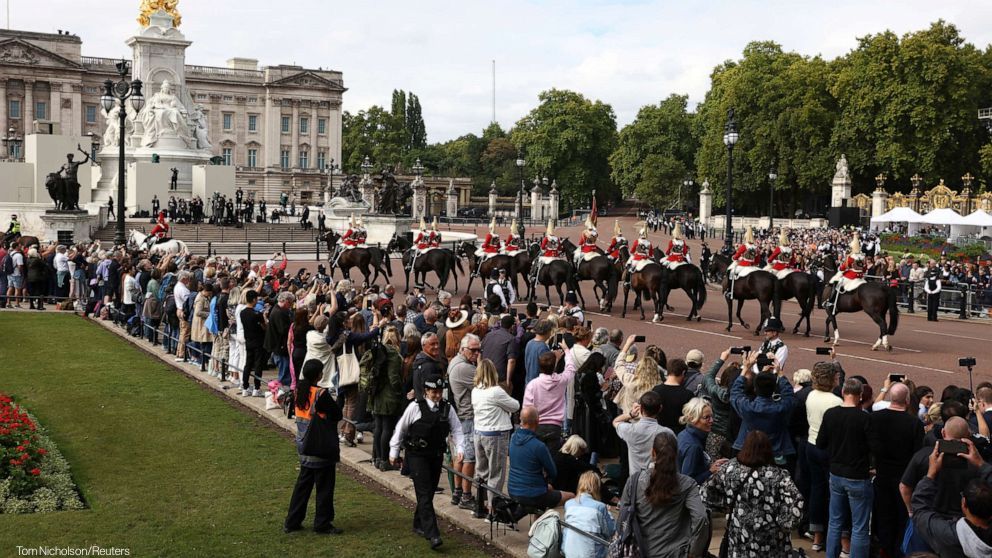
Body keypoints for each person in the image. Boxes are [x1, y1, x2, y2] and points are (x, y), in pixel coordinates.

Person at [389, 375, 465, 550]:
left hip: (435, 455)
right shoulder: (415, 407)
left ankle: (418, 523)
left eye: (439, 392)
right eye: (433, 392)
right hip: (417, 456)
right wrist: (394, 451)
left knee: (429, 491)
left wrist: (460, 449)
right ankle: (433, 534)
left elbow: (457, 429)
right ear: (426, 392)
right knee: (423, 492)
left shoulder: (447, 408)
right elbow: (401, 429)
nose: (437, 396)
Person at [701, 431, 805, 556]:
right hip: (771, 541)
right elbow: (796, 503)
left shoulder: (730, 468)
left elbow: (705, 493)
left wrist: (726, 505)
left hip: (739, 538)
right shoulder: (778, 476)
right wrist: (783, 523)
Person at [620, 431, 709, 558]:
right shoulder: (688, 484)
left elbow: (623, 518)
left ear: (653, 453)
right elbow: (701, 517)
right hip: (676, 552)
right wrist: (694, 552)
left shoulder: (634, 481)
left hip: (641, 551)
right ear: (676, 454)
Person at [284, 360, 344, 535]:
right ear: (319, 375)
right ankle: (322, 523)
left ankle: (292, 521)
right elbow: (336, 413)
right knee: (324, 487)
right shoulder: (320, 394)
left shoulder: (298, 392)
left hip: (304, 445)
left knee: (303, 486)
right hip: (320, 446)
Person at [817, 377, 874, 558]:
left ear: (843, 392)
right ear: (860, 395)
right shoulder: (865, 418)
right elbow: (874, 447)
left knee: (835, 522)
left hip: (836, 474)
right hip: (858, 476)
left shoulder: (831, 414)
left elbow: (820, 443)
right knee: (859, 526)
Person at [870, 381, 925, 558]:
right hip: (905, 478)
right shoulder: (914, 423)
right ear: (907, 400)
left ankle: (885, 550)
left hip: (882, 475)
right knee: (901, 518)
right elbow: (918, 455)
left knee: (885, 516)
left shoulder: (875, 418)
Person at [911, 440, 992, 557]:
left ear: (964, 504)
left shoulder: (948, 535)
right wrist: (981, 464)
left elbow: (920, 512)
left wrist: (931, 473)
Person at [472, 358, 519, 511]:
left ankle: (479, 505)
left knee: (482, 472)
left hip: (479, 433)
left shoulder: (475, 391)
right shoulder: (496, 392)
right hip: (495, 434)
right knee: (496, 474)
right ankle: (493, 509)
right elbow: (515, 406)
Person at [730, 354, 796, 466]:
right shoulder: (781, 408)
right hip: (776, 453)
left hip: (748, 451)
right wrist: (780, 373)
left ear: (755, 389)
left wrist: (745, 368)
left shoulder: (747, 407)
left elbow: (735, 393)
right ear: (774, 389)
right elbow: (789, 394)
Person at [806, 360, 843, 551]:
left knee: (817, 490)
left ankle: (817, 536)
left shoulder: (811, 395)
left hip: (811, 445)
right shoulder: (836, 401)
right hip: (828, 449)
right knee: (834, 493)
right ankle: (835, 537)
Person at [508, 406, 575, 510]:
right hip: (534, 495)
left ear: (521, 420)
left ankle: (537, 521)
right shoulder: (539, 446)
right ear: (537, 421)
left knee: (544, 490)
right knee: (571, 496)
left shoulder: (512, 438)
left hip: (512, 490)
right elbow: (553, 472)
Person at [447, 333, 481, 510]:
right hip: (467, 417)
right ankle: (466, 496)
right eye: (473, 350)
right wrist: (481, 363)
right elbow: (485, 384)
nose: (476, 353)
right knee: (469, 458)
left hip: (459, 416)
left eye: (478, 350)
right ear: (462, 348)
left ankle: (458, 492)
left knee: (459, 456)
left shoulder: (455, 362)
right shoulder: (466, 368)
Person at [524, 344, 576, 454]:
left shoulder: (533, 385)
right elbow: (571, 368)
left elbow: (527, 408)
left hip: (537, 425)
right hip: (555, 426)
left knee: (537, 457)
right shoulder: (561, 381)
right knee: (552, 459)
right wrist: (566, 350)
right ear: (554, 365)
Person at [613, 391, 674, 476]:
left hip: (636, 480)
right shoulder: (667, 433)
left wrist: (631, 414)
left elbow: (616, 421)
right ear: (660, 408)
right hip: (658, 481)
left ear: (641, 409)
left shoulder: (630, 430)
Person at [562, 471, 617, 558]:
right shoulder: (600, 507)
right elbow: (611, 531)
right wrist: (608, 513)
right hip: (591, 554)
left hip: (568, 552)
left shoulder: (568, 504)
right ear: (597, 487)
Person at [677, 398, 727, 484]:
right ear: (693, 418)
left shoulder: (683, 434)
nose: (711, 421)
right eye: (706, 417)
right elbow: (687, 482)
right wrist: (710, 471)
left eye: (711, 416)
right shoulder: (694, 446)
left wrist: (711, 466)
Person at [653, 358, 695, 433]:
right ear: (683, 373)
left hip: (658, 433)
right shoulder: (688, 394)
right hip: (679, 434)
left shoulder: (656, 390)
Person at [826, 232, 866, 310]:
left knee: (836, 282)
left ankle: (831, 301)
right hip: (860, 276)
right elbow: (865, 268)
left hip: (851, 276)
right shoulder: (863, 256)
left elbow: (843, 267)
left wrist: (840, 269)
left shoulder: (850, 257)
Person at [239, 289, 266, 397]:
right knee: (258, 364)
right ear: (254, 299)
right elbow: (264, 327)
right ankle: (256, 388)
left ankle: (245, 387)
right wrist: (263, 319)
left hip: (248, 341)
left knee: (248, 364)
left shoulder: (242, 313)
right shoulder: (257, 314)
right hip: (258, 341)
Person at [265, 291, 295, 386]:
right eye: (290, 303)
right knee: (285, 374)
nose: (291, 305)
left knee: (284, 372)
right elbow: (283, 330)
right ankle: (283, 393)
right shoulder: (279, 312)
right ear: (286, 301)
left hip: (278, 346)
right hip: (280, 347)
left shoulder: (278, 310)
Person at [524, 319, 552, 385]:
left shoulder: (529, 343)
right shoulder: (543, 347)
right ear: (547, 331)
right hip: (538, 384)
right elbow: (547, 368)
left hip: (528, 381)